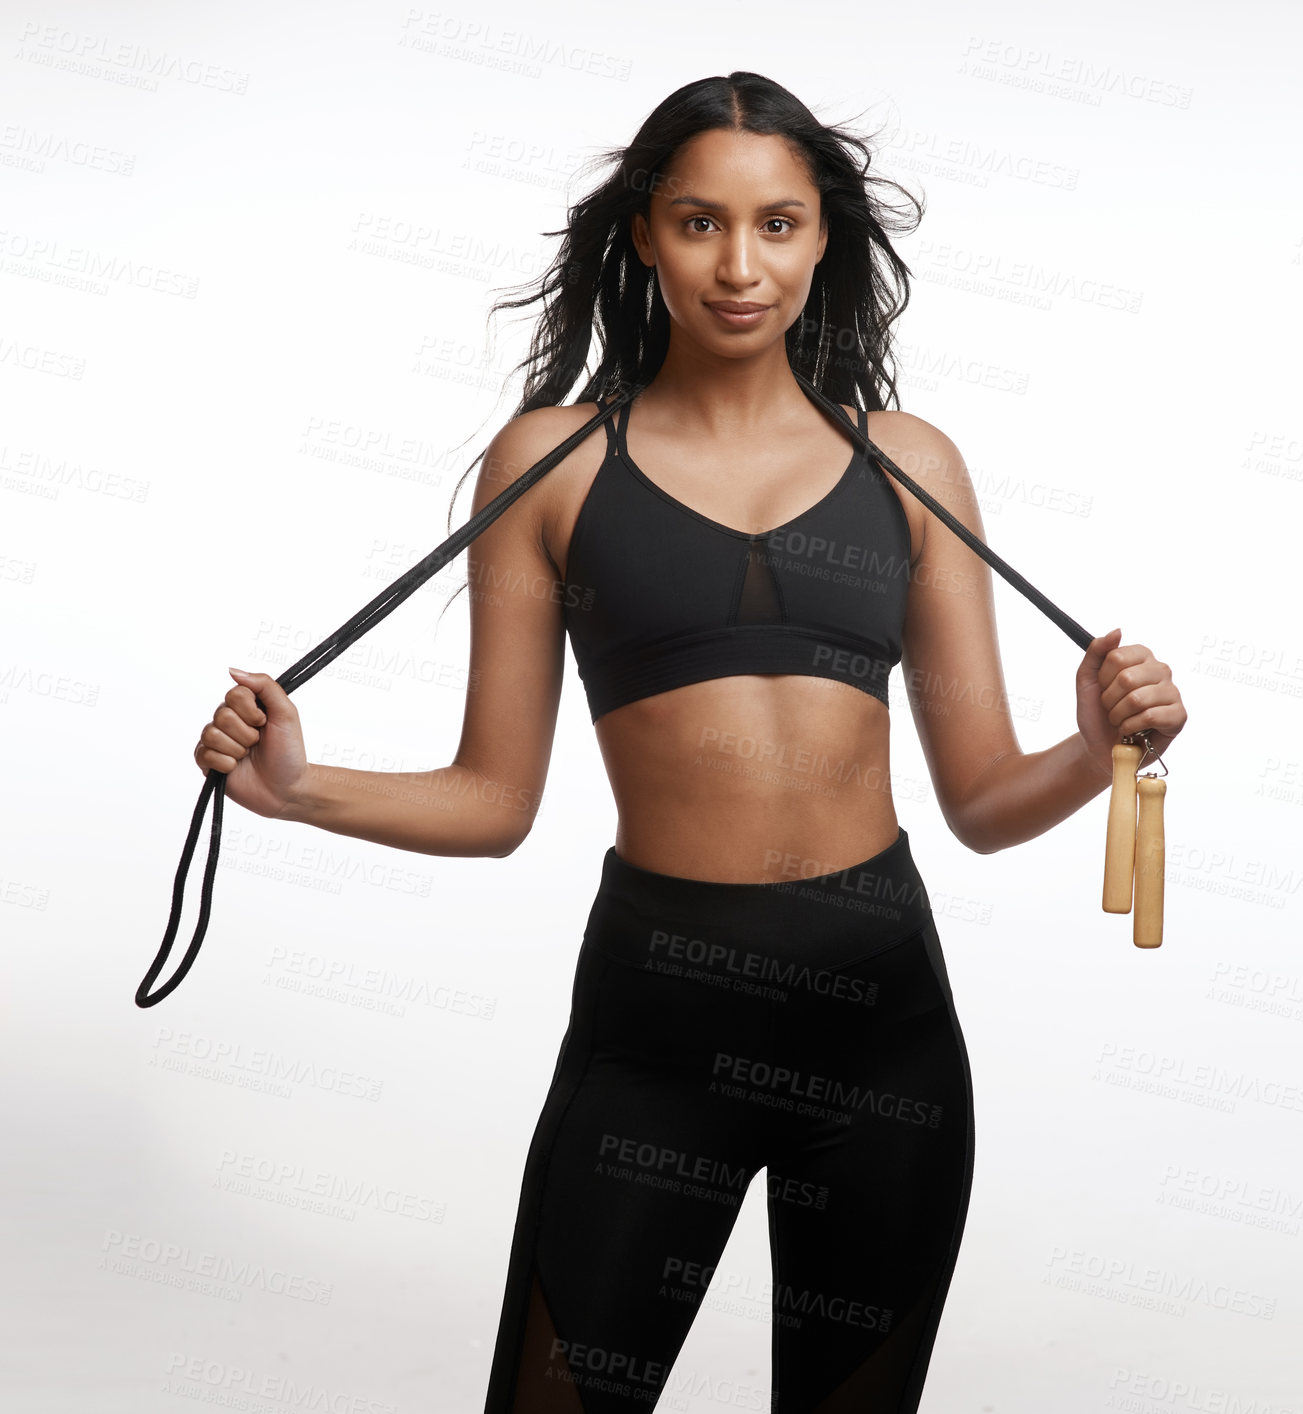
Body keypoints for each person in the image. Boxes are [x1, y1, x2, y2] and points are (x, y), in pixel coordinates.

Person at [194, 71, 1186, 1414]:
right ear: (643, 237)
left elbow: (983, 800)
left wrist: (1092, 747)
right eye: (698, 223)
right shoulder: (551, 465)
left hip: (883, 1040)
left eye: (776, 224)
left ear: (822, 234)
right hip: (654, 1036)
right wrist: (302, 790)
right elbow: (493, 798)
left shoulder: (912, 467)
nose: (738, 265)